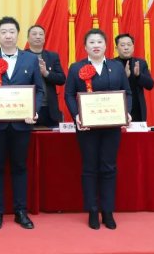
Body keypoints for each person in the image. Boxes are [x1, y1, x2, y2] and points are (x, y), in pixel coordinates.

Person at [0, 16, 44, 230]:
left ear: (18, 35)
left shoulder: (30, 59)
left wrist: (34, 111)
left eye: (12, 31)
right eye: (3, 32)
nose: (8, 35)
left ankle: (21, 211)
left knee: (20, 166)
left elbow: (39, 90)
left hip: (22, 124)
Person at [64, 29, 132, 230]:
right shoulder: (76, 68)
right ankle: (92, 210)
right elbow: (69, 94)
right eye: (91, 42)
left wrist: (126, 112)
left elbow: (127, 93)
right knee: (89, 168)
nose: (96, 45)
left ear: (106, 46)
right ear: (85, 47)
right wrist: (77, 115)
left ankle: (108, 211)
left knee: (109, 167)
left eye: (99, 42)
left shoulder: (116, 67)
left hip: (111, 126)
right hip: (87, 128)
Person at [25, 25, 66, 127]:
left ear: (44, 38)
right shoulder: (22, 56)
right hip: (28, 107)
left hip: (49, 108)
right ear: (28, 38)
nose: (38, 36)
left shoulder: (52, 56)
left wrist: (46, 73)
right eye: (34, 34)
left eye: (41, 34)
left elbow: (62, 79)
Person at [114, 33, 154, 123]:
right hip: (117, 109)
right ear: (116, 48)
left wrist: (139, 75)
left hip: (138, 110)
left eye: (129, 44)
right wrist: (124, 77)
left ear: (133, 47)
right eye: (122, 45)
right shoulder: (112, 64)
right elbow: (109, 89)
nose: (126, 48)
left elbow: (150, 85)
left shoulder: (140, 63)